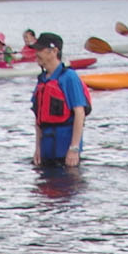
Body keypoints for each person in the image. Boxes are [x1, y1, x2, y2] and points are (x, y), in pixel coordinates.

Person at [29, 32, 89, 171]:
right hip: (46, 149)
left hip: (65, 150)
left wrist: (74, 148)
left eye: (40, 50)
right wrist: (37, 148)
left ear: (54, 51)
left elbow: (79, 113)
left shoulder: (69, 77)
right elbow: (38, 118)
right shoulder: (42, 79)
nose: (36, 53)